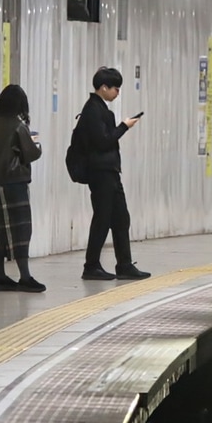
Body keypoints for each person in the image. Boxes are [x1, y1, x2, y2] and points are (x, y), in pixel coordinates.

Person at [79, 67, 150, 281]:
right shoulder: (93, 110)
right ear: (103, 88)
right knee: (102, 218)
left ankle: (124, 264)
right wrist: (124, 126)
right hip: (100, 173)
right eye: (115, 88)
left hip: (110, 172)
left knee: (120, 218)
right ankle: (91, 265)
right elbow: (103, 141)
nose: (117, 92)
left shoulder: (99, 108)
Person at [0, 84, 45, 293]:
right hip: (15, 184)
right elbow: (32, 154)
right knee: (21, 229)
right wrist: (37, 144)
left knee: (0, 230)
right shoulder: (18, 126)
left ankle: (0, 277)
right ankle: (25, 277)